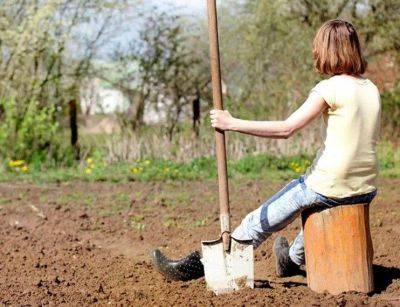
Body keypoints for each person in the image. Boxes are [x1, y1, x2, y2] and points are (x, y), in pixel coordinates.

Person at [152, 19, 381, 281]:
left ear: (327, 50)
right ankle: (292, 260)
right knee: (316, 216)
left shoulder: (329, 88)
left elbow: (287, 129)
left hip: (329, 183)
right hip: (365, 187)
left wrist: (232, 123)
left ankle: (208, 267)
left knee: (256, 222)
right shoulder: (370, 88)